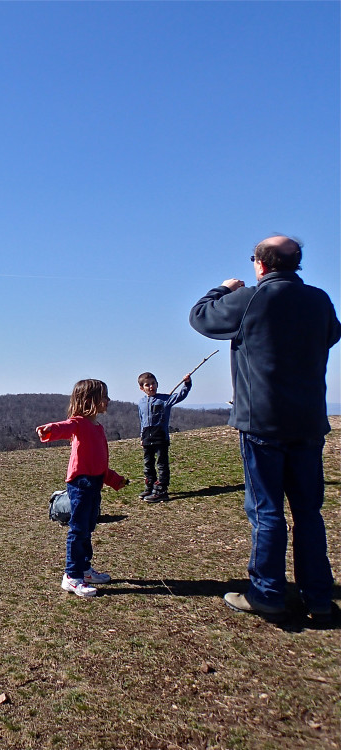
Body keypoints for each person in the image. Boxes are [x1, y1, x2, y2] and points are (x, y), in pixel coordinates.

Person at [189, 235, 340, 621]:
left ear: (259, 264)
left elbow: (201, 316)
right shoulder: (320, 300)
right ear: (297, 264)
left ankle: (267, 593)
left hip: (261, 422)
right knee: (309, 512)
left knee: (266, 510)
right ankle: (319, 598)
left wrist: (225, 288)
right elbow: (332, 335)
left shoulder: (251, 298)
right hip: (308, 422)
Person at [36, 379, 129, 598]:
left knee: (87, 528)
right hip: (81, 484)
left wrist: (115, 480)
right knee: (78, 530)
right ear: (89, 401)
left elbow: (100, 463)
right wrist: (49, 430)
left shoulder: (98, 427)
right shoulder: (79, 423)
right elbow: (65, 426)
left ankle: (84, 570)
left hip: (94, 483)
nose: (108, 400)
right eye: (104, 396)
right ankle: (72, 576)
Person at [136, 372, 192, 502]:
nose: (151, 387)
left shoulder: (164, 399)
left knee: (162, 464)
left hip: (160, 437)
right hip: (147, 437)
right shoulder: (141, 403)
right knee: (148, 464)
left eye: (153, 384)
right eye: (147, 385)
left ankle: (161, 489)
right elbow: (142, 420)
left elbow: (181, 395)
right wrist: (141, 437)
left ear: (157, 384)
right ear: (141, 388)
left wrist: (187, 383)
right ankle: (150, 486)